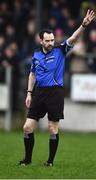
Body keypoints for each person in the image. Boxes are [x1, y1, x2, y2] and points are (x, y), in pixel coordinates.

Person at [19, 10, 95, 166]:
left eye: (52, 40)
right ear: (41, 41)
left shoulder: (60, 50)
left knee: (52, 128)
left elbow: (73, 39)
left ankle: (50, 162)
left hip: (55, 93)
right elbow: (32, 75)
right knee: (27, 127)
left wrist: (83, 25)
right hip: (39, 93)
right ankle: (27, 160)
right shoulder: (36, 55)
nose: (50, 43)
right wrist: (29, 93)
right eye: (47, 40)